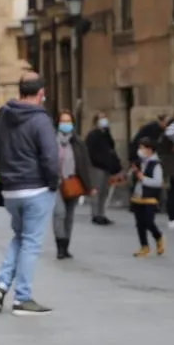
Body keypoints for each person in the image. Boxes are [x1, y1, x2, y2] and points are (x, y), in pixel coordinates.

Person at [0, 73, 58, 316]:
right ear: (41, 93)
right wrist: (53, 183)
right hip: (36, 188)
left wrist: (5, 175)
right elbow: (50, 156)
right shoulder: (41, 119)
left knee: (20, 237)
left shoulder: (3, 114)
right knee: (31, 242)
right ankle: (22, 298)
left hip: (10, 190)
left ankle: (1, 284)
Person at [53, 110, 95, 260]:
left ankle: (66, 246)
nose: (65, 124)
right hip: (56, 183)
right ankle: (59, 246)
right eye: (63, 121)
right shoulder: (51, 141)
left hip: (73, 182)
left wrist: (89, 186)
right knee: (59, 213)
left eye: (68, 121)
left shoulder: (78, 143)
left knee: (69, 216)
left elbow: (85, 165)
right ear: (58, 123)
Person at [130, 137, 166, 258]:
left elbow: (158, 182)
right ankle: (144, 246)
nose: (140, 150)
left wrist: (143, 178)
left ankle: (158, 236)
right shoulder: (140, 162)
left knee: (149, 221)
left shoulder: (156, 164)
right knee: (139, 223)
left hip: (150, 197)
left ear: (149, 149)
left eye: (142, 148)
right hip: (138, 195)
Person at [84, 112, 122, 225]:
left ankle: (102, 214)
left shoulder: (106, 134)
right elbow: (89, 151)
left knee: (104, 192)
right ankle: (96, 214)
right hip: (96, 166)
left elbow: (111, 148)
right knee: (97, 190)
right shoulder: (93, 135)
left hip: (106, 167)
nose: (104, 120)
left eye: (105, 118)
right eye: (101, 118)